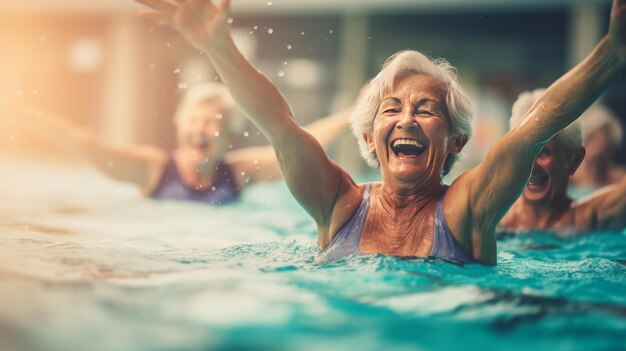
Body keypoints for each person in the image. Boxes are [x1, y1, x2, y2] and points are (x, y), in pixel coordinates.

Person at [135, 0, 626, 265]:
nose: (407, 119)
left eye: (426, 109)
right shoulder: (338, 203)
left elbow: (536, 127)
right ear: (370, 140)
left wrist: (612, 53)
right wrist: (220, 49)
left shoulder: (466, 210)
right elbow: (279, 125)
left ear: (456, 142)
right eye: (391, 109)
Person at [5, 81, 356, 205]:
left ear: (230, 138)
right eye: (193, 120)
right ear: (178, 125)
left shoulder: (239, 173)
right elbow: (85, 143)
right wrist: (22, 114)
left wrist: (354, 112)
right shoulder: (153, 170)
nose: (200, 128)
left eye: (212, 122)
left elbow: (299, 147)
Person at [498, 89, 626, 236]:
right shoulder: (495, 221)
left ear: (575, 160)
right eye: (522, 152)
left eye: (543, 152)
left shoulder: (590, 219)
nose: (531, 166)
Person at [570, 103, 626, 190]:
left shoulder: (621, 178)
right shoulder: (569, 179)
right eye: (593, 140)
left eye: (606, 147)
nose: (599, 151)